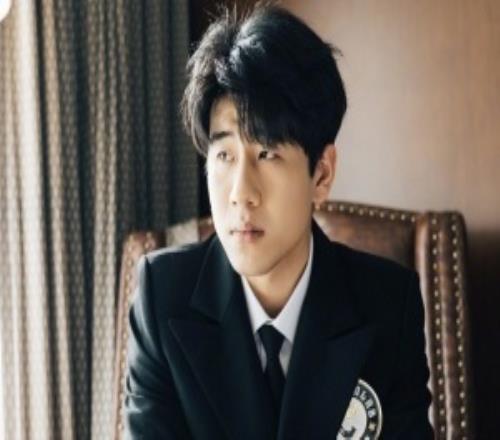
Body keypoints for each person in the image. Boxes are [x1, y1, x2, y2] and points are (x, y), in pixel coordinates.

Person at [124, 3, 433, 439]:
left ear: (321, 174)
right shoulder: (163, 299)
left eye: (267, 153)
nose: (241, 193)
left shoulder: (387, 307)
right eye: (225, 155)